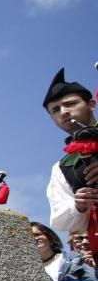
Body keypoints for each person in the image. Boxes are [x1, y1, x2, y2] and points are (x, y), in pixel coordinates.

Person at [45, 68, 98, 233]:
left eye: (70, 103)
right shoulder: (61, 167)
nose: (64, 112)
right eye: (55, 110)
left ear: (91, 104)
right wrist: (78, 205)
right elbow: (60, 221)